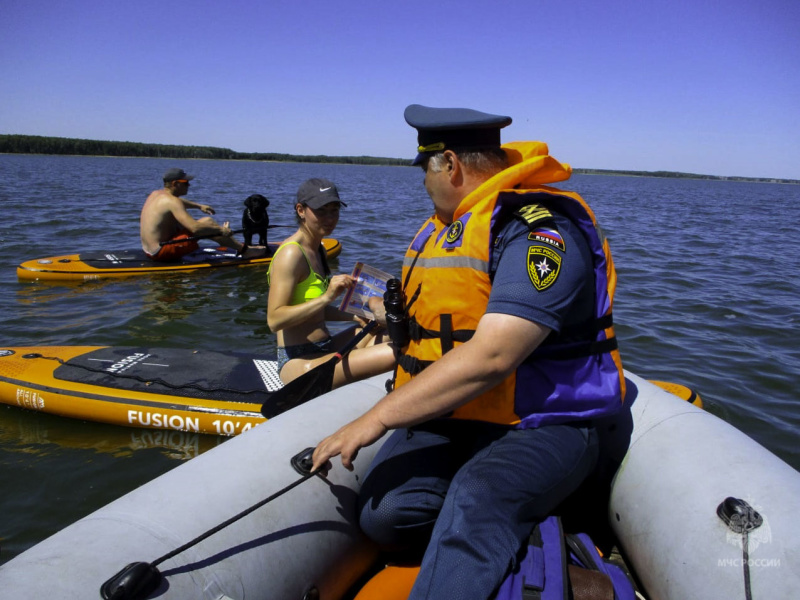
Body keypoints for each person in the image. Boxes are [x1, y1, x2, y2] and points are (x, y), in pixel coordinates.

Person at [311, 105, 627, 599]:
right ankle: (526, 535)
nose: (424, 183)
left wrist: (376, 418)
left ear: (450, 165)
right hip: (462, 414)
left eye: (425, 170)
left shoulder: (539, 230)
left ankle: (521, 547)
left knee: (476, 498)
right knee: (386, 517)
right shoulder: (448, 227)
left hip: (543, 421)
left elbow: (493, 355)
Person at [266, 178, 395, 387]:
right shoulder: (291, 254)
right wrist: (327, 297)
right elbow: (274, 320)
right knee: (392, 353)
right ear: (301, 210)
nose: (330, 218)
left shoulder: (319, 250)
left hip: (325, 347)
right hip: (299, 361)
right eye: (321, 211)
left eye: (334, 210)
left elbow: (315, 313)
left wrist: (357, 316)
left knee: (388, 332)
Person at [141, 168, 261, 261]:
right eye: (186, 182)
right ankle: (245, 251)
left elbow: (179, 202)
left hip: (149, 251)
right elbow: (195, 228)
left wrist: (199, 206)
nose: (189, 185)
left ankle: (236, 245)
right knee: (207, 223)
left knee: (202, 223)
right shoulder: (173, 201)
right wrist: (220, 230)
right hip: (161, 253)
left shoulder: (157, 194)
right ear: (175, 183)